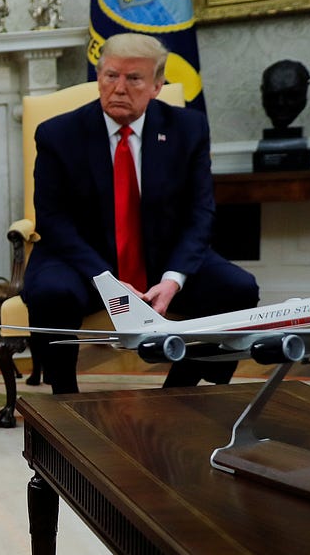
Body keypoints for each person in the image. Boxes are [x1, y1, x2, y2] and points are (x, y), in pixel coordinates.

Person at [21, 32, 260, 394]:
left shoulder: (188, 128)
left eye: (133, 79)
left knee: (238, 289)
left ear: (157, 85)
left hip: (160, 257)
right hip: (81, 261)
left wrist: (173, 279)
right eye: (110, 75)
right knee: (50, 292)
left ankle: (179, 391)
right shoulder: (58, 134)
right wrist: (105, 279)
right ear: (98, 77)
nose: (119, 88)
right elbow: (52, 220)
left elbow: (200, 212)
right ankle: (64, 399)